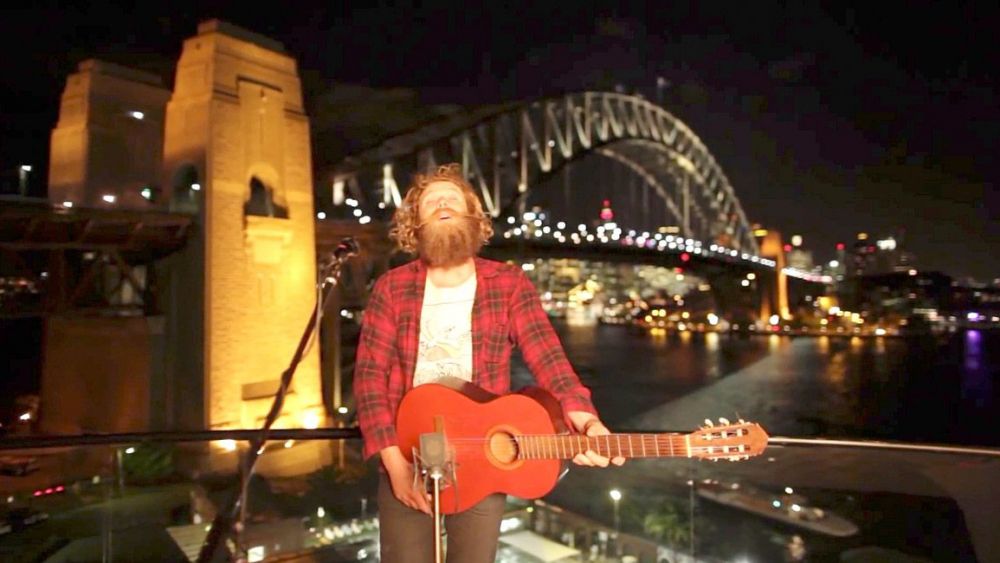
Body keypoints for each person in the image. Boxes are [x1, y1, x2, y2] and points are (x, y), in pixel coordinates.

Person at [354, 163, 624, 563]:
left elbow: (549, 360)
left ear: (472, 216)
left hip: (483, 457)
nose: (442, 203)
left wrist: (585, 420)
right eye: (431, 201)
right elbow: (369, 379)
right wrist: (395, 466)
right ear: (415, 224)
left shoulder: (509, 284)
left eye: (452, 198)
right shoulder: (391, 288)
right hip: (407, 453)